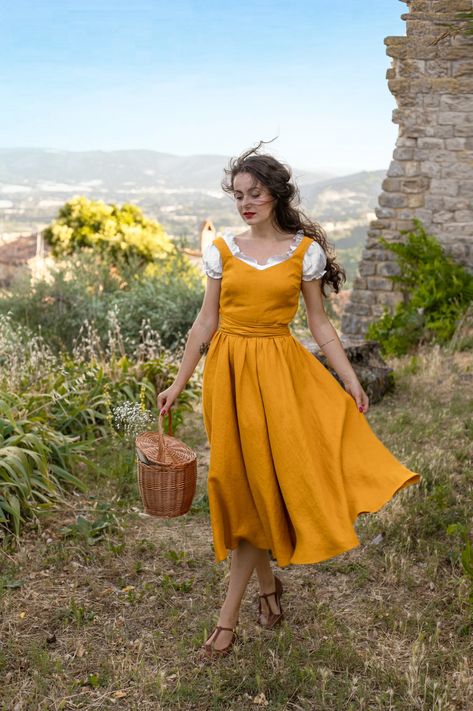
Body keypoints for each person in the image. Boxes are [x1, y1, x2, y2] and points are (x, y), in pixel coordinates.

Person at [157, 140, 422, 660]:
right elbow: (204, 323)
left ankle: (227, 621)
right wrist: (179, 381)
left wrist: (348, 377)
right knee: (235, 484)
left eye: (254, 193)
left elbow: (320, 325)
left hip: (280, 376)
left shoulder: (305, 252)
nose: (246, 203)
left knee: (256, 490)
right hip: (227, 375)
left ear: (276, 194)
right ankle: (270, 591)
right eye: (238, 195)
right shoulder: (222, 251)